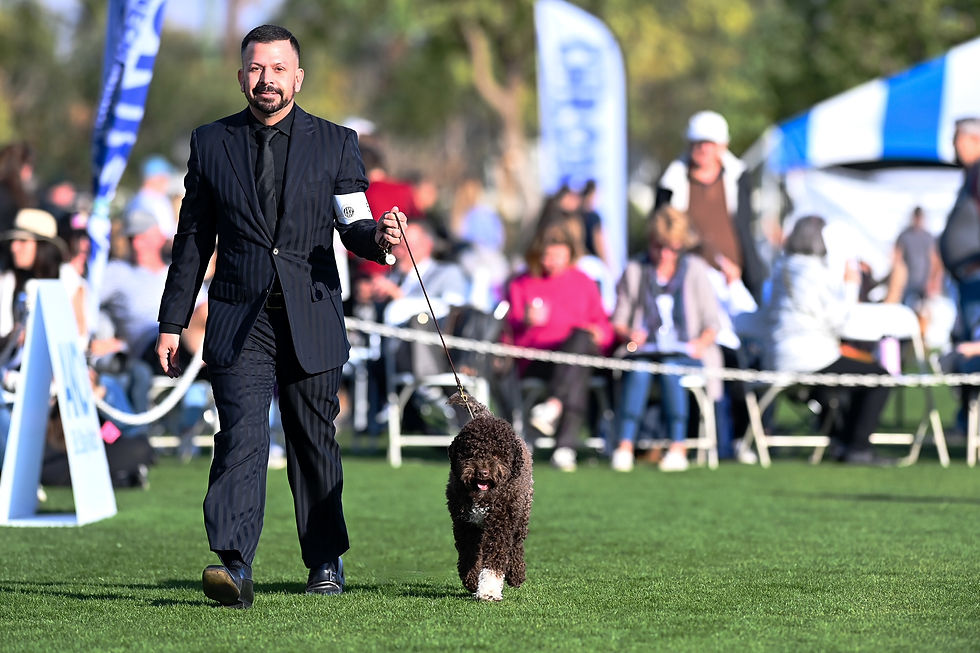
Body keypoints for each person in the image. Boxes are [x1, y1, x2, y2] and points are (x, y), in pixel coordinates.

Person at [155, 25, 405, 609]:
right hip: (239, 316)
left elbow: (355, 222)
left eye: (277, 69)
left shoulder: (337, 142)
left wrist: (382, 240)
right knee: (239, 438)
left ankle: (324, 558)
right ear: (241, 75)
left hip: (311, 312)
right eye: (255, 69)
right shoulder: (211, 142)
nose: (265, 79)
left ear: (298, 76)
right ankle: (234, 566)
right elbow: (192, 239)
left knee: (312, 440)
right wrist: (172, 320)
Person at [768, 215, 892, 465]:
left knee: (840, 382)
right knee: (880, 378)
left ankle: (841, 442)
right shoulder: (814, 273)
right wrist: (851, 286)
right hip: (811, 357)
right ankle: (856, 447)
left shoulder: (780, 268)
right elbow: (839, 321)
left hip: (778, 359)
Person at [608, 207, 722, 472]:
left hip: (687, 353)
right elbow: (619, 319)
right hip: (643, 351)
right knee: (638, 371)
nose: (665, 254)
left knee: (672, 371)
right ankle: (624, 445)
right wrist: (629, 335)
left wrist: (700, 344)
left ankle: (678, 447)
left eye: (672, 248)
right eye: (659, 247)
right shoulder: (636, 269)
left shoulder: (695, 269)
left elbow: (712, 322)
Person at [504, 219, 614, 472]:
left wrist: (600, 334)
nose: (551, 261)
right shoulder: (521, 283)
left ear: (570, 254)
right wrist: (526, 322)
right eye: (547, 255)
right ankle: (565, 445)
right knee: (576, 369)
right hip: (536, 359)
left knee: (580, 341)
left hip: (575, 355)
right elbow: (508, 333)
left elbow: (603, 325)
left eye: (558, 255)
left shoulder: (583, 281)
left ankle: (553, 407)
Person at [655, 111, 766, 300]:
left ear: (723, 146)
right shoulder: (670, 183)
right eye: (699, 143)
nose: (704, 149)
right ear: (689, 145)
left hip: (735, 280)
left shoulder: (739, 178)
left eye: (710, 143)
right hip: (688, 282)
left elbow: (745, 228)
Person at [125, 155, 178, 242]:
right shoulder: (153, 201)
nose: (167, 182)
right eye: (164, 178)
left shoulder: (137, 200)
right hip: (158, 251)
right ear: (155, 178)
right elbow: (167, 234)